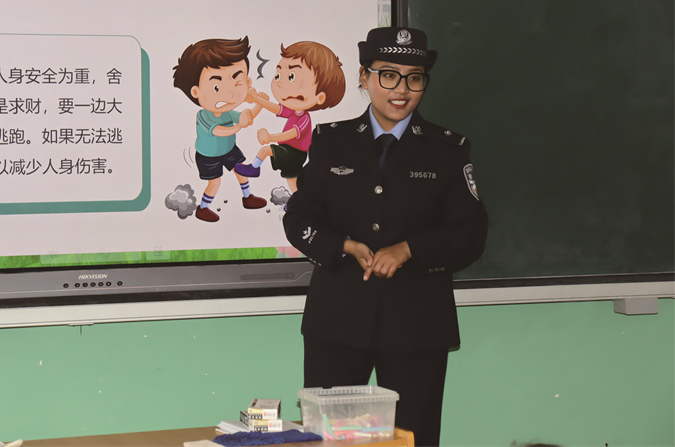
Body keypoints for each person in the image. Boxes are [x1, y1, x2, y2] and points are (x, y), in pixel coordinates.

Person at [282, 26, 488, 446]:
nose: (402, 90)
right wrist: (342, 245)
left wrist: (411, 249)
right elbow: (298, 217)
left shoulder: (448, 150)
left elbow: (471, 233)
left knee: (413, 440)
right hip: (337, 320)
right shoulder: (331, 142)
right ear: (364, 76)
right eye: (389, 75)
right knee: (328, 441)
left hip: (418, 324)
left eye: (414, 78)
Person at [173, 36, 267, 222]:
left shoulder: (228, 112)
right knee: (215, 182)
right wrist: (239, 125)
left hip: (229, 149)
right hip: (208, 155)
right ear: (196, 92)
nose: (230, 93)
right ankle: (203, 208)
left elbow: (246, 117)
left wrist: (259, 104)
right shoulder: (203, 116)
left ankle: (247, 197)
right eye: (216, 87)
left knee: (241, 171)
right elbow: (219, 131)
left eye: (237, 81)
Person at [234, 40, 346, 193]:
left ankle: (254, 168)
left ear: (319, 97)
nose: (280, 83)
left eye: (291, 76)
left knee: (266, 150)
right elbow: (277, 109)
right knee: (292, 180)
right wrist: (257, 99)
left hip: (294, 153)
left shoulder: (304, 118)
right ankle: (297, 200)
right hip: (291, 151)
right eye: (278, 75)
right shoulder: (294, 111)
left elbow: (292, 133)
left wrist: (271, 137)